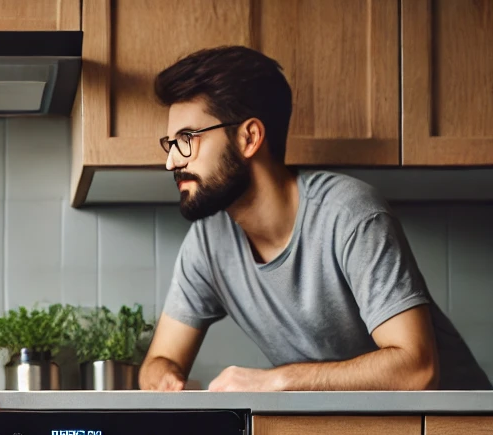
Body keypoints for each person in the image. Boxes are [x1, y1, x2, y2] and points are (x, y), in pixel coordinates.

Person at [139, 46, 490, 392]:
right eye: (170, 143)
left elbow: (418, 370)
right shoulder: (208, 241)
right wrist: (164, 379)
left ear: (249, 138)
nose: (172, 162)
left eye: (187, 139)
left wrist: (276, 380)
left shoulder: (348, 213)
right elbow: (158, 362)